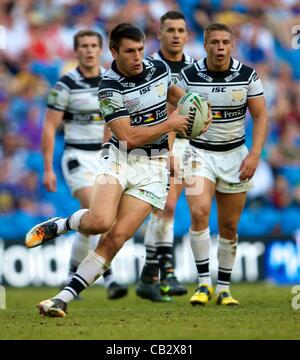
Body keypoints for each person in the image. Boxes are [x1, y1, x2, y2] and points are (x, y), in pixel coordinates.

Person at [25, 23, 190, 317]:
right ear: (114, 52)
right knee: (100, 221)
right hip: (119, 157)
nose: (137, 56)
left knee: (116, 239)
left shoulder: (160, 69)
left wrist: (200, 109)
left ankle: (62, 299)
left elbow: (177, 96)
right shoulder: (108, 87)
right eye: (129, 51)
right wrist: (171, 124)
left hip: (154, 167)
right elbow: (127, 138)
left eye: (140, 49)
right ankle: (59, 225)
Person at [177, 23, 268, 305]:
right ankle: (204, 284)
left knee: (229, 226)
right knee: (200, 213)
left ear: (232, 45)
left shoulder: (247, 75)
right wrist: (171, 147)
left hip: (235, 156)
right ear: (204, 46)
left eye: (225, 42)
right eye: (214, 42)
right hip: (198, 154)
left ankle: (224, 288)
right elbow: (171, 114)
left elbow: (261, 116)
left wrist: (254, 155)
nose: (219, 48)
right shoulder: (188, 75)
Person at [41, 29, 127, 300]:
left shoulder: (111, 81)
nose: (89, 50)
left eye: (93, 45)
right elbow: (49, 128)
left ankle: (72, 273)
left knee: (97, 220)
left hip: (107, 156)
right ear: (76, 51)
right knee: (95, 211)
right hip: (77, 155)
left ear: (101, 49)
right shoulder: (65, 85)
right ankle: (109, 277)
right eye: (84, 46)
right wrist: (46, 168)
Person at [137, 11, 194, 300]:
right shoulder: (149, 67)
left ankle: (151, 275)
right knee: (166, 205)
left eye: (180, 30)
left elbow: (195, 108)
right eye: (169, 29)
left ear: (186, 35)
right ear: (159, 35)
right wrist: (168, 148)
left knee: (166, 208)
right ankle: (165, 272)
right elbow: (167, 110)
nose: (175, 34)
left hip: (185, 144)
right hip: (154, 142)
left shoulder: (195, 68)